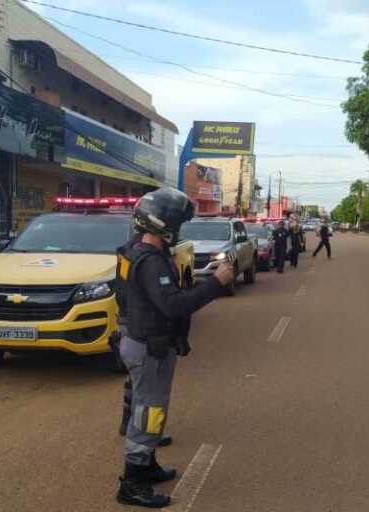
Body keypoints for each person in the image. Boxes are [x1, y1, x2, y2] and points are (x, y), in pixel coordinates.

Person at [115, 188, 235, 508]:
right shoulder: (150, 261)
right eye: (177, 222)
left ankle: (147, 464)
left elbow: (132, 299)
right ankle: (133, 482)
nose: (179, 229)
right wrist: (216, 282)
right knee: (149, 413)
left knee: (150, 408)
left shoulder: (132, 251)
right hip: (148, 347)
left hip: (139, 340)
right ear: (163, 223)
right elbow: (172, 306)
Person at [115, 232, 172, 448]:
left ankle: (132, 424)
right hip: (134, 320)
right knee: (143, 387)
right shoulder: (138, 253)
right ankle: (141, 432)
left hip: (128, 317)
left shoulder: (127, 251)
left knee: (136, 381)